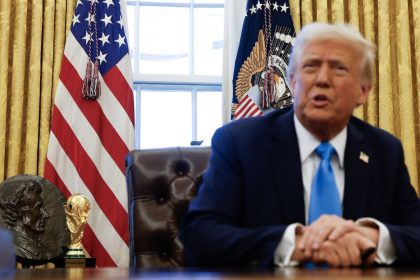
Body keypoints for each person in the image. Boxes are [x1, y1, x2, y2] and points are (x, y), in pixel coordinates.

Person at [179, 22, 420, 267]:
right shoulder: (241, 143)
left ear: (363, 91)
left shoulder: (384, 151)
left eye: (339, 68)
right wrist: (295, 243)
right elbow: (200, 236)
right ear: (292, 82)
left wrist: (373, 237)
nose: (322, 79)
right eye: (310, 66)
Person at [0, 180, 50, 259]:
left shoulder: (41, 246)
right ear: (20, 211)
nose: (46, 215)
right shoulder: (13, 246)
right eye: (38, 207)